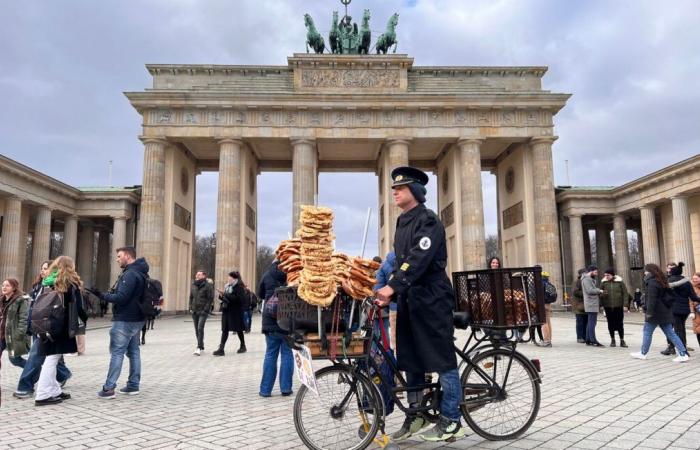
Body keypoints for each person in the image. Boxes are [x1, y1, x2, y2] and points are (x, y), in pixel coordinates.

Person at [375, 166, 463, 442]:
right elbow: (400, 262)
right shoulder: (402, 222)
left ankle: (451, 419)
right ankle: (417, 413)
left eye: (400, 189)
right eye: (394, 189)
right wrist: (383, 288)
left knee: (443, 359)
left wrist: (392, 286)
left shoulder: (429, 222)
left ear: (414, 191)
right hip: (410, 301)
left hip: (433, 300)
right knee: (410, 359)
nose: (395, 193)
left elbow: (417, 260)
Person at [92, 246, 148, 398]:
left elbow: (121, 298)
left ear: (128, 256)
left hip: (125, 319)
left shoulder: (130, 274)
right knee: (134, 352)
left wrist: (100, 295)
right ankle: (133, 385)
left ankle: (109, 388)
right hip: (137, 319)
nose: (117, 259)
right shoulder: (142, 273)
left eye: (119, 256)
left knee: (117, 353)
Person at [14, 261, 72, 399]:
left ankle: (25, 386)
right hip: (36, 325)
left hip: (46, 326)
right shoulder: (38, 286)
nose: (43, 271)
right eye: (42, 269)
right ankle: (62, 375)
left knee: (37, 355)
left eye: (46, 269)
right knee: (48, 356)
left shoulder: (54, 286)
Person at [34, 256, 88, 406]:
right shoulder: (70, 284)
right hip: (61, 325)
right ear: (70, 267)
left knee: (52, 358)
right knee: (51, 359)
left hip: (46, 324)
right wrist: (84, 320)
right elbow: (78, 308)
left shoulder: (47, 282)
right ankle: (43, 394)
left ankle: (54, 390)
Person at [631, 263, 689, 362]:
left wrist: (649, 313)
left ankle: (643, 353)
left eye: (645, 271)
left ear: (649, 272)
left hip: (655, 313)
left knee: (647, 332)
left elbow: (652, 300)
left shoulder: (652, 282)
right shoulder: (660, 280)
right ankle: (683, 353)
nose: (644, 273)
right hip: (664, 312)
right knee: (671, 333)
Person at [258, 260, 293, 397]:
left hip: (270, 320)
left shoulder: (267, 275)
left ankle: (265, 390)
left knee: (270, 354)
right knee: (287, 354)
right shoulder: (292, 275)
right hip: (288, 320)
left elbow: (260, 294)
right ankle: (285, 388)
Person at [661, 262, 700, 355]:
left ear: (673, 272)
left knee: (678, 330)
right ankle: (684, 349)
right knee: (681, 328)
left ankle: (683, 352)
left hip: (674, 309)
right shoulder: (687, 283)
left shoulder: (669, 281)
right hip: (685, 310)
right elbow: (693, 297)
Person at [213, 271, 248, 356]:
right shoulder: (227, 286)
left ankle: (243, 345)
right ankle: (221, 348)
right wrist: (222, 295)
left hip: (236, 312)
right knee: (224, 329)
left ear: (234, 279)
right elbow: (225, 298)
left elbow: (239, 299)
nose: (228, 279)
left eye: (230, 278)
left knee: (238, 329)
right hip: (227, 310)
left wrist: (226, 294)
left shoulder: (239, 286)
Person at [1, 279, 31, 369]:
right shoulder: (1, 300)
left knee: (15, 360)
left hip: (13, 335)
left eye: (7, 285)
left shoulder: (21, 301)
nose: (4, 287)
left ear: (14, 288)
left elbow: (23, 319)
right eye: (3, 285)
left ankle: (36, 371)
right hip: (2, 334)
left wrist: (19, 334)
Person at [600, 268, 631, 348]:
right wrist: (602, 298)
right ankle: (612, 340)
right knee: (610, 323)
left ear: (612, 275)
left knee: (620, 323)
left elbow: (625, 294)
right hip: (608, 306)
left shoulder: (620, 282)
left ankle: (622, 340)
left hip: (619, 306)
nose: (606, 276)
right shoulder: (603, 283)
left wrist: (625, 305)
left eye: (608, 275)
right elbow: (599, 294)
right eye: (605, 275)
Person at [374, 252, 397, 350]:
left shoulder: (384, 266)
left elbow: (377, 289)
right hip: (416, 306)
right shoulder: (412, 257)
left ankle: (377, 353)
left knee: (396, 342)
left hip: (392, 307)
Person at [189, 270, 214, 356]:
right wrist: (190, 308)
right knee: (197, 330)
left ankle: (198, 347)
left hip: (203, 311)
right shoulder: (193, 285)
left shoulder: (208, 286)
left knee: (200, 328)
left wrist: (206, 310)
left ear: (204, 276)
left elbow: (210, 298)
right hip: (194, 311)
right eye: (196, 274)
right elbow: (191, 297)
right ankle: (201, 345)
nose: (197, 275)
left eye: (199, 274)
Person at [582, 265, 605, 347]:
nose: (596, 274)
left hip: (591, 303)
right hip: (591, 303)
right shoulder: (587, 279)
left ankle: (588, 340)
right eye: (595, 272)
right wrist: (600, 290)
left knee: (590, 322)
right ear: (591, 271)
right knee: (592, 323)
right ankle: (593, 340)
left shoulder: (588, 279)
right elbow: (590, 290)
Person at [571, 268, 588, 343]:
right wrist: (586, 293)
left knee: (585, 321)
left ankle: (584, 336)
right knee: (580, 322)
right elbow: (575, 292)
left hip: (584, 305)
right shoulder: (577, 282)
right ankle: (580, 337)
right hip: (578, 305)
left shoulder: (585, 281)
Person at [691, 272, 700, 347]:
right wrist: (692, 311)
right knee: (698, 331)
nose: (694, 280)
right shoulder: (691, 288)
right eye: (693, 279)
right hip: (697, 313)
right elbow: (690, 301)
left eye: (696, 279)